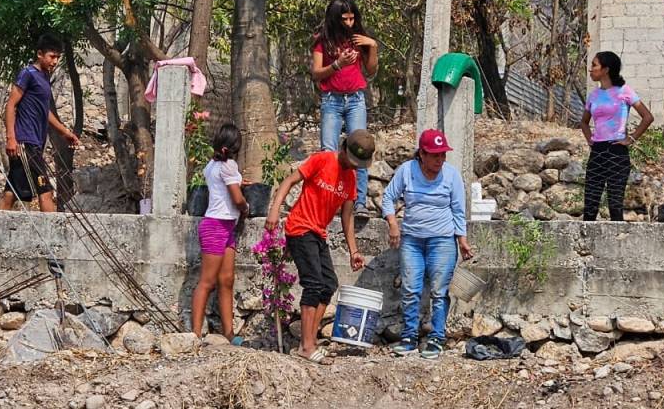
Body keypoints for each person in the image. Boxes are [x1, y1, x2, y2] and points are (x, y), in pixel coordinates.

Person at [265, 129, 373, 363]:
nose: (354, 167)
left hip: (318, 233)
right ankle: (306, 346)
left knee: (329, 284)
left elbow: (347, 216)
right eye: (352, 162)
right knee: (313, 283)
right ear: (343, 148)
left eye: (358, 165)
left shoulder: (351, 178)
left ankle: (310, 342)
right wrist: (274, 210)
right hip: (300, 227)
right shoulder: (322, 160)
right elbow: (289, 181)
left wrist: (353, 250)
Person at [381, 129, 473, 359]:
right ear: (421, 154)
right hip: (412, 240)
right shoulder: (407, 171)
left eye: (443, 155)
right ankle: (409, 336)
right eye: (434, 155)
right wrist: (393, 223)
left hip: (442, 240)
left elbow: (458, 210)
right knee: (410, 289)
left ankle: (436, 337)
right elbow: (388, 198)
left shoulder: (451, 176)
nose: (439, 160)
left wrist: (462, 240)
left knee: (438, 292)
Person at [311, 0, 379, 219]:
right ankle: (327, 199)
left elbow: (370, 71)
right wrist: (338, 64)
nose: (349, 23)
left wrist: (373, 46)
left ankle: (359, 202)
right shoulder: (323, 40)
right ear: (335, 19)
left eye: (352, 19)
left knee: (359, 147)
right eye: (344, 19)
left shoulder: (359, 39)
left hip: (356, 100)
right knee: (329, 151)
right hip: (332, 99)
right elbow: (316, 73)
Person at [0, 34, 81, 212]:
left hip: (35, 143)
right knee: (45, 190)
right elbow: (11, 105)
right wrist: (11, 138)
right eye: (52, 56)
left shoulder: (44, 78)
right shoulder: (27, 74)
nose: (55, 61)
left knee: (11, 191)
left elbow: (46, 112)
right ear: (40, 54)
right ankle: (53, 235)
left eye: (58, 57)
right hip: (24, 142)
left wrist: (65, 133)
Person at [191, 123, 249, 342]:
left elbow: (225, 188)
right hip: (217, 225)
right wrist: (245, 206)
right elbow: (236, 198)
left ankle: (228, 333)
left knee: (226, 280)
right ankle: (195, 334)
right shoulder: (229, 166)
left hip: (223, 226)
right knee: (208, 281)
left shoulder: (213, 165)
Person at [580, 51, 654, 222]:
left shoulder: (624, 91)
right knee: (590, 203)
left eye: (594, 65)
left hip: (617, 150)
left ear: (605, 69)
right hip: (597, 151)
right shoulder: (594, 95)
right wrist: (590, 139)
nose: (590, 70)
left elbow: (647, 117)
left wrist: (632, 138)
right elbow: (584, 122)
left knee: (615, 204)